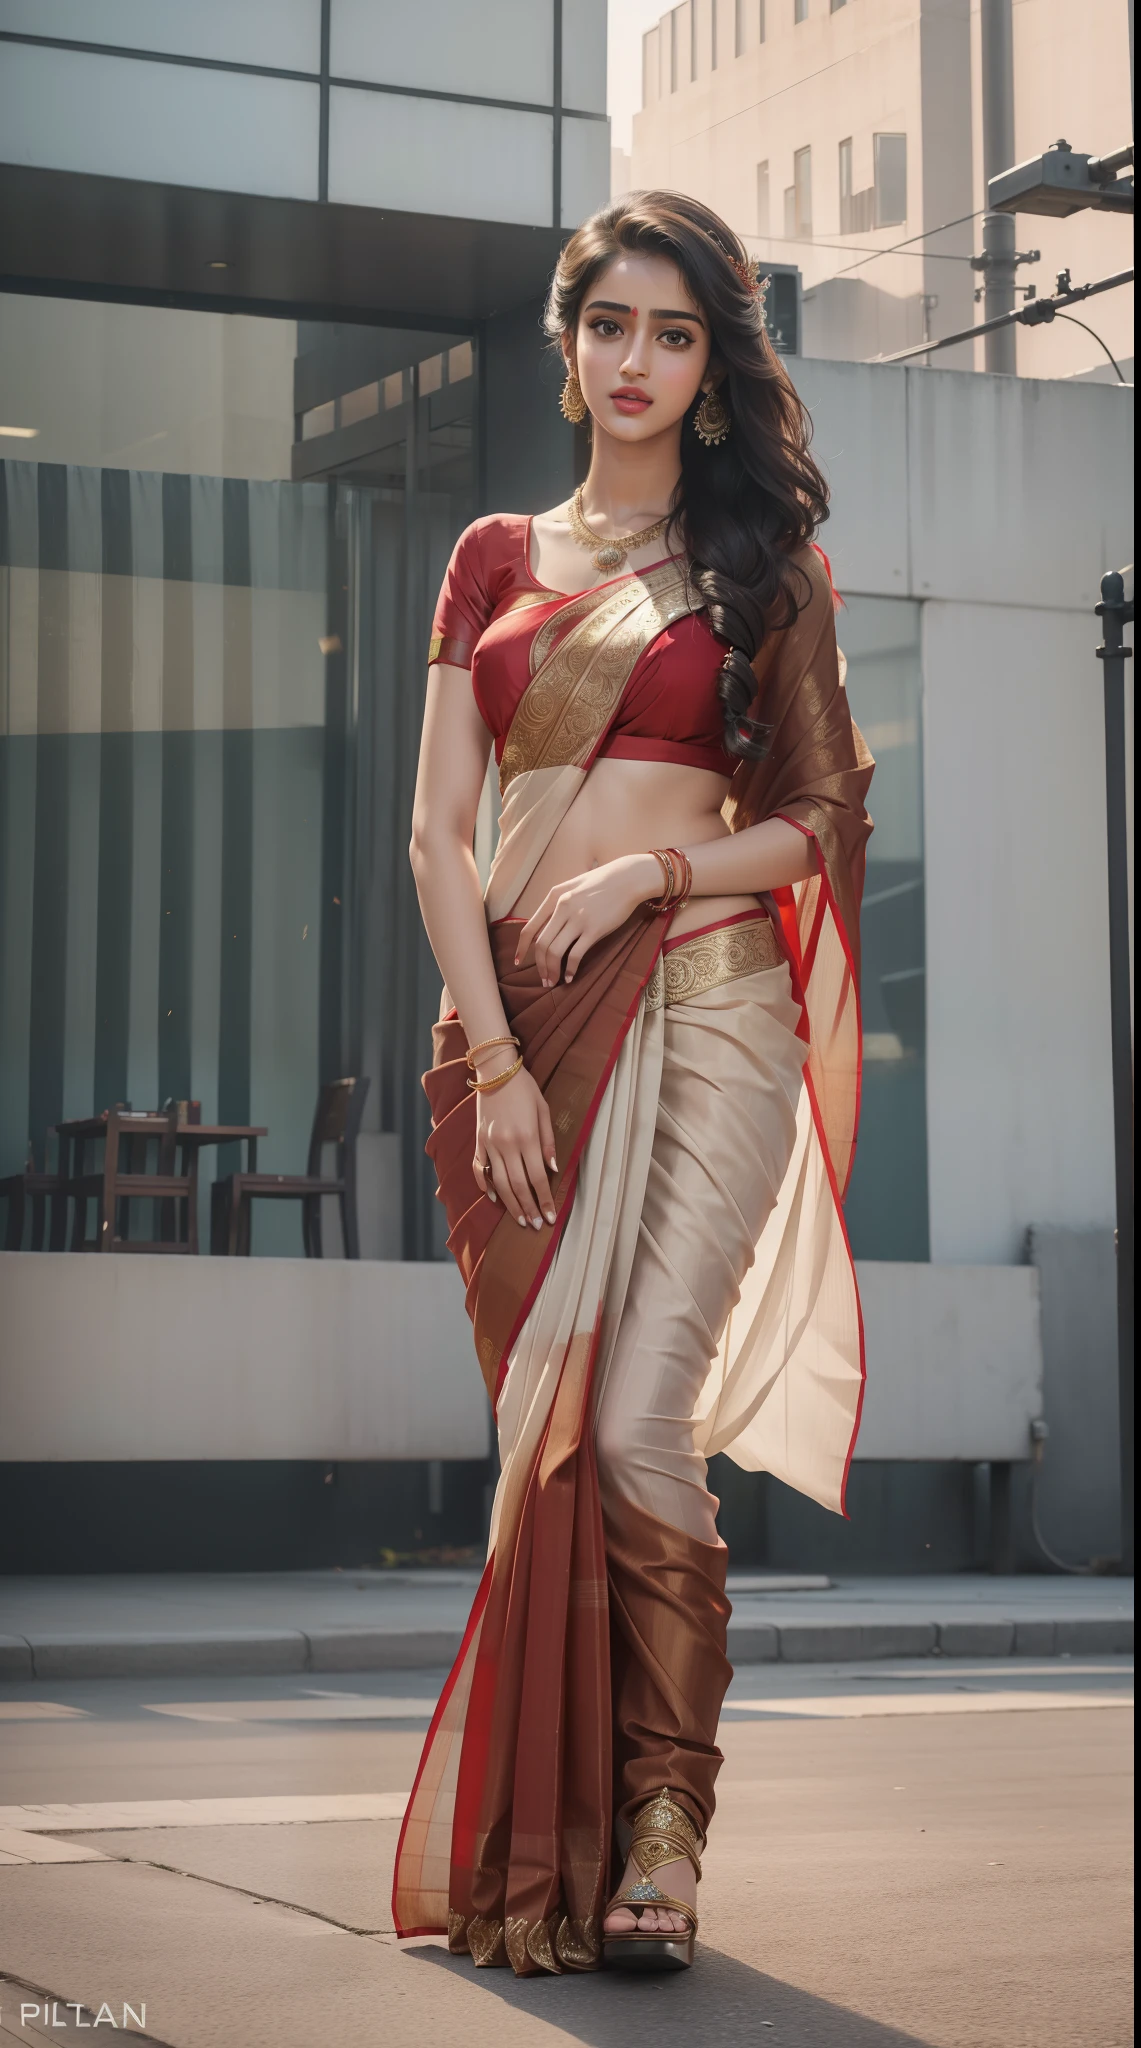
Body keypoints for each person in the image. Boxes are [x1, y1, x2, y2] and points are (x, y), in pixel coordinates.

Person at [392, 190, 873, 1977]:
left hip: (715, 1009)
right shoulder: (495, 555)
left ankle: (665, 1833)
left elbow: (820, 825)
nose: (639, 362)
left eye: (677, 334)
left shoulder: (764, 571)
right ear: (567, 335)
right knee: (548, 1441)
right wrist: (500, 1058)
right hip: (515, 1042)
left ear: (715, 363)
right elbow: (438, 837)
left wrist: (655, 878)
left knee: (633, 1418)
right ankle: (568, 1836)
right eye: (613, 326)